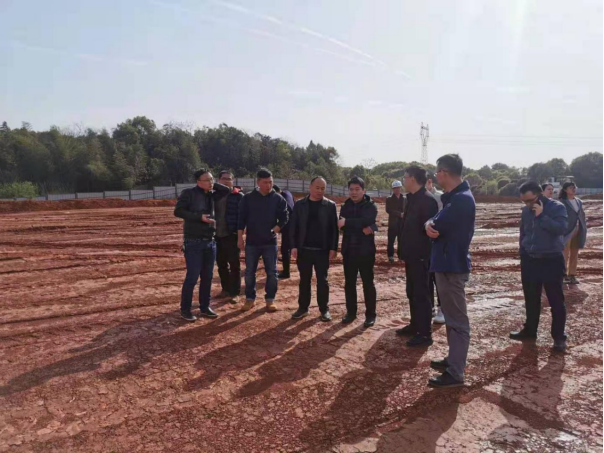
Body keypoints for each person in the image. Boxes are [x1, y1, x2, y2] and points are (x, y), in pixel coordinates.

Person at [425, 154, 476, 389]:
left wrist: (429, 225)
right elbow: (432, 221)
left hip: (451, 266)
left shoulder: (461, 200)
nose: (436, 176)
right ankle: (453, 360)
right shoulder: (454, 198)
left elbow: (436, 224)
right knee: (452, 318)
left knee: (457, 320)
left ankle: (456, 372)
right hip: (447, 264)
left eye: (437, 172)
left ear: (444, 172)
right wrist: (428, 224)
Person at [511, 181, 568, 353]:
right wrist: (523, 252)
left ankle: (559, 337)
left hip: (551, 260)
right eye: (524, 201)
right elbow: (524, 233)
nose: (527, 204)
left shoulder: (557, 208)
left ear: (540, 194)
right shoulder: (525, 211)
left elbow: (561, 229)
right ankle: (530, 330)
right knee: (531, 298)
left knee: (555, 300)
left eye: (530, 200)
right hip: (530, 260)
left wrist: (542, 216)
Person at [174, 169, 231, 322]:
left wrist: (212, 184)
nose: (211, 182)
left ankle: (205, 307)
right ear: (198, 182)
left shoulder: (212, 194)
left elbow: (226, 190)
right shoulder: (189, 193)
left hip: (210, 241)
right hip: (194, 241)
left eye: (212, 179)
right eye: (207, 180)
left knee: (207, 277)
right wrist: (199, 217)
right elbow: (178, 211)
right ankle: (185, 309)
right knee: (192, 277)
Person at [396, 166, 439, 347]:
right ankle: (415, 325)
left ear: (413, 178)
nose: (404, 180)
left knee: (422, 294)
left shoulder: (428, 201)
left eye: (405, 177)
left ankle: (425, 333)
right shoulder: (411, 199)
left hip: (421, 256)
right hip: (411, 255)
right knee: (412, 292)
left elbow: (428, 231)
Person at [238, 169, 289, 313]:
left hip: (270, 243)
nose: (269, 185)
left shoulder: (278, 199)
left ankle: (270, 300)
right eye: (265, 182)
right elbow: (241, 219)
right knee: (249, 272)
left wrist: (274, 230)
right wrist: (240, 238)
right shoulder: (248, 198)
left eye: (270, 182)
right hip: (252, 242)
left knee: (272, 273)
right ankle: (250, 299)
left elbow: (284, 218)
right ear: (258, 182)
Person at [289, 177, 339, 322]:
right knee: (304, 280)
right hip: (304, 249)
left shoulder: (330, 206)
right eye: (317, 188)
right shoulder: (300, 205)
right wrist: (293, 246)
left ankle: (324, 309)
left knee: (322, 281)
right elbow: (293, 226)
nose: (320, 191)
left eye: (323, 188)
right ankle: (303, 308)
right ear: (310, 187)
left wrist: (333, 248)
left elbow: (334, 230)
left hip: (322, 250)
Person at [339, 176, 379, 328]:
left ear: (364, 190)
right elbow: (341, 226)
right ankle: (351, 313)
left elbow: (368, 220)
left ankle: (370, 315)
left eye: (357, 189)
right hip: (349, 250)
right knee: (349, 283)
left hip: (365, 251)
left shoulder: (370, 206)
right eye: (351, 189)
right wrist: (360, 226)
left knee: (368, 283)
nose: (354, 192)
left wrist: (348, 222)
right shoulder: (345, 206)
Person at [214, 171, 244, 304]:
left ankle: (235, 293)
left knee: (234, 265)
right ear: (218, 180)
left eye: (229, 179)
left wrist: (240, 236)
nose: (226, 181)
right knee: (221, 264)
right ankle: (225, 289)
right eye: (223, 178)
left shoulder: (238, 196)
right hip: (216, 236)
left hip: (231, 235)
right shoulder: (213, 196)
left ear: (233, 181)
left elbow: (242, 217)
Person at [559, 182, 587, 285]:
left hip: (578, 230)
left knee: (575, 253)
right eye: (571, 188)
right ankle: (562, 275)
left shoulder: (579, 201)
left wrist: (583, 227)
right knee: (564, 254)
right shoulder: (561, 202)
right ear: (565, 190)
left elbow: (581, 215)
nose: (573, 189)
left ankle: (572, 275)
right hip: (567, 231)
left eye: (574, 187)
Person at [426, 172, 445, 324]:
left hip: (437, 240)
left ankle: (442, 309)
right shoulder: (415, 198)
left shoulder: (440, 197)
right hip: (424, 243)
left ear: (429, 182)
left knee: (438, 278)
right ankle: (430, 306)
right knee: (427, 277)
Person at [274, 185, 295, 280]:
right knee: (287, 248)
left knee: (285, 249)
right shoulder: (287, 193)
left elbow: (288, 212)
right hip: (291, 225)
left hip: (289, 226)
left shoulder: (283, 199)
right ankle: (286, 261)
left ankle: (286, 272)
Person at [386, 181, 406, 264]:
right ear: (393, 189)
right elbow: (388, 210)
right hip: (393, 224)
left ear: (400, 188)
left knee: (401, 241)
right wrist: (399, 214)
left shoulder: (404, 199)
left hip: (402, 224)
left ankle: (401, 256)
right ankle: (390, 256)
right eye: (395, 188)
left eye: (398, 188)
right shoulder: (389, 199)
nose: (397, 189)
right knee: (391, 241)